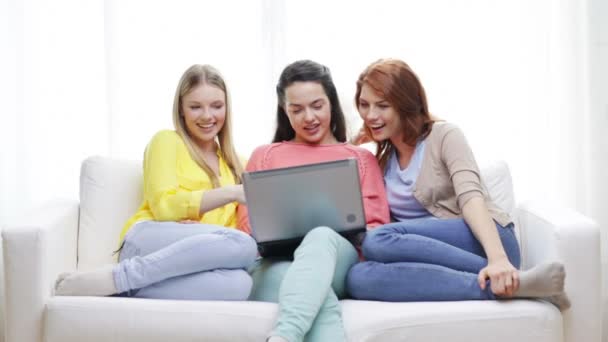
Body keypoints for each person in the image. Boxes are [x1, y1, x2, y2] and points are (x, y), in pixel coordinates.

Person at [346, 58, 570, 310]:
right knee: (358, 278)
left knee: (377, 240)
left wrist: (498, 259)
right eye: (364, 105)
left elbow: (470, 196)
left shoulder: (444, 136)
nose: (370, 115)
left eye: (383, 106)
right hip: (440, 258)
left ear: (405, 105)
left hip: (486, 241)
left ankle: (506, 274)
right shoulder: (383, 160)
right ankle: (517, 286)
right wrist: (353, 145)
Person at [54, 64, 257, 300]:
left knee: (240, 285)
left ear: (227, 108)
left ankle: (115, 286)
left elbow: (237, 230)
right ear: (181, 109)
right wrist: (230, 193)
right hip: (149, 239)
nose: (207, 116)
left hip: (191, 255)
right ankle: (123, 276)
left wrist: (205, 235)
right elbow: (164, 207)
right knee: (242, 244)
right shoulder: (167, 142)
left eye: (216, 106)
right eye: (195, 107)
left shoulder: (237, 163)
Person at [237, 60, 390, 342]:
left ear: (331, 103)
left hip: (336, 262)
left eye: (317, 105)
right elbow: (247, 225)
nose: (308, 117)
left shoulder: (360, 158)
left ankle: (285, 335)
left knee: (320, 237)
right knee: (313, 293)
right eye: (297, 109)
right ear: (285, 111)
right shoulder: (266, 155)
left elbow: (376, 227)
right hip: (275, 264)